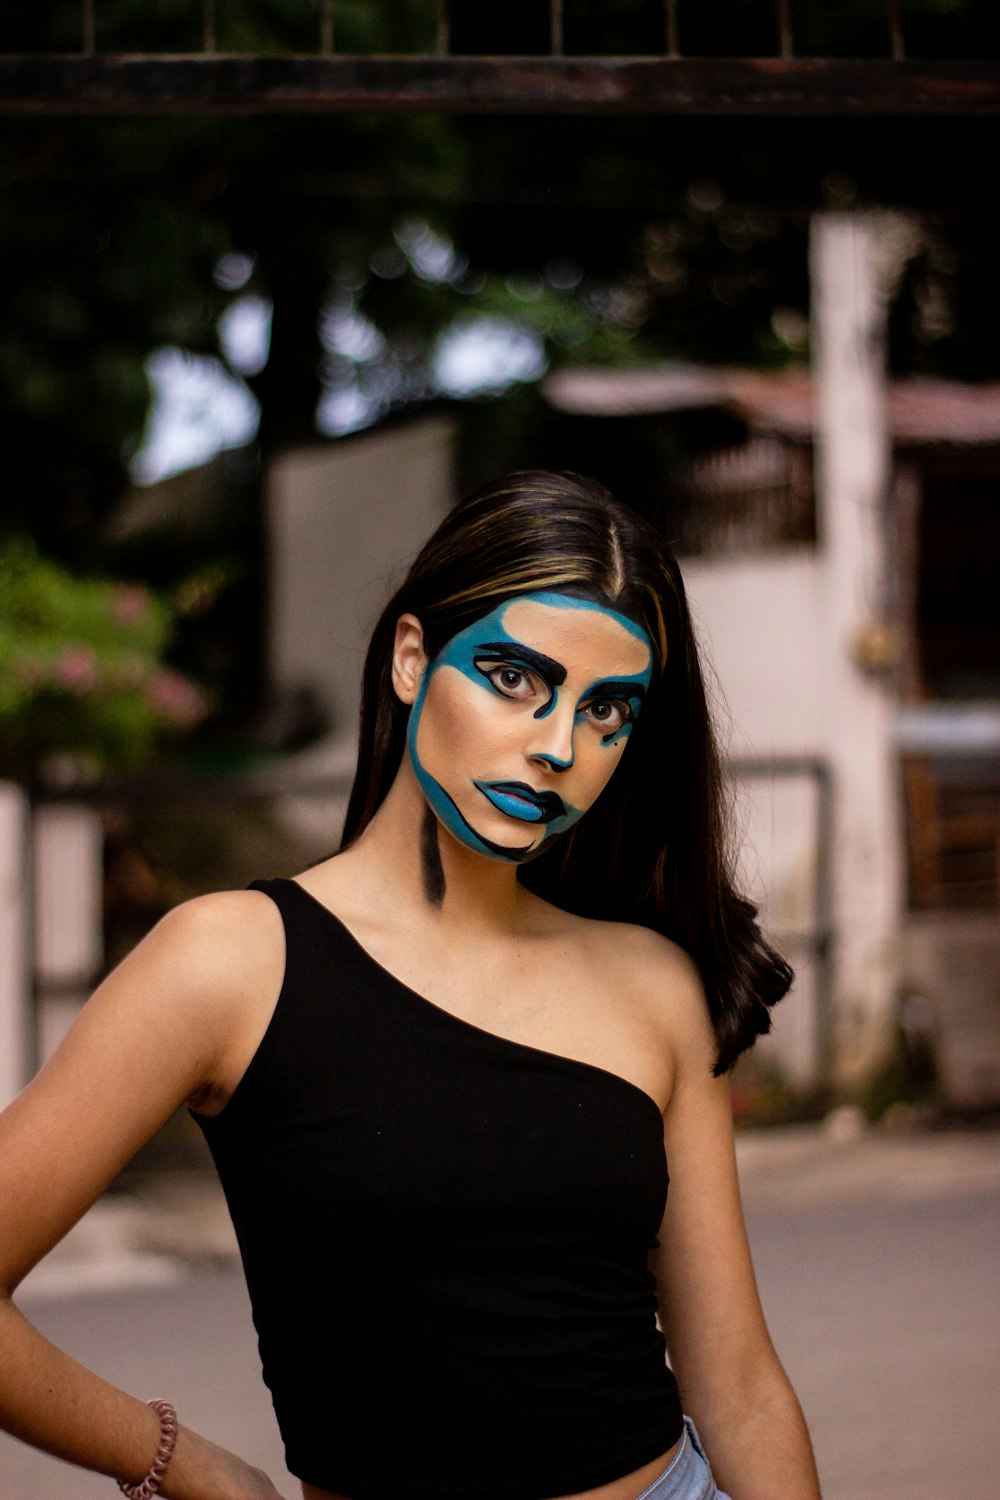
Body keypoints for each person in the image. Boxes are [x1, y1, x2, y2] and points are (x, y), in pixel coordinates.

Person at [0, 469, 821, 1500]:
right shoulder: (230, 962)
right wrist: (179, 1458)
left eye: (606, 708)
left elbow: (740, 1388)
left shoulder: (653, 985)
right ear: (410, 659)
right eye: (515, 679)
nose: (558, 746)